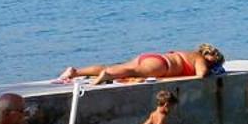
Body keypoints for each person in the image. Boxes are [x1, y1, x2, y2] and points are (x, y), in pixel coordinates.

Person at [59, 44, 225, 85]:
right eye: (214, 61)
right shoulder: (200, 59)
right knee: (127, 71)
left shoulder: (188, 53)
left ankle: (75, 72)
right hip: (162, 65)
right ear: (208, 55)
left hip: (154, 58)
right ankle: (107, 76)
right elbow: (201, 75)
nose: (214, 64)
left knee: (125, 68)